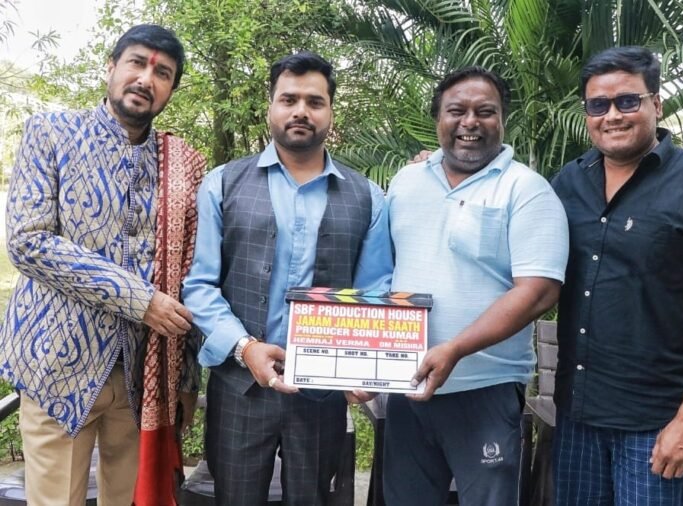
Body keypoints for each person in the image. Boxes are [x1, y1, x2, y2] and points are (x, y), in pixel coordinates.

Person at [0, 24, 207, 506]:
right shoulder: (51, 133)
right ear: (111, 67)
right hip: (57, 365)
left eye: (163, 73)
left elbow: (191, 270)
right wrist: (140, 300)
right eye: (136, 63)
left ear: (171, 90)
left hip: (144, 375)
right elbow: (29, 242)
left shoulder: (181, 164)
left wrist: (185, 378)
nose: (146, 79)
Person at [550, 46, 683, 505]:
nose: (612, 115)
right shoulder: (568, 183)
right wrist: (441, 169)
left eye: (628, 101)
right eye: (598, 105)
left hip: (659, 423)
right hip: (578, 417)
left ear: (657, 104)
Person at [182, 51, 392, 506]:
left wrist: (364, 367)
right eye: (289, 99)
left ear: (330, 111)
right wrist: (245, 347)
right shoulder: (222, 184)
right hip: (239, 388)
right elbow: (200, 286)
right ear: (271, 107)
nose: (301, 111)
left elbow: (374, 293)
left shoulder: (368, 197)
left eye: (315, 102)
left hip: (321, 394)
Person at [379, 67, 569, 505]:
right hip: (408, 387)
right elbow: (383, 271)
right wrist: (368, 360)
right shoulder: (406, 182)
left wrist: (455, 349)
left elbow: (538, 291)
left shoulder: (527, 190)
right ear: (437, 119)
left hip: (486, 388)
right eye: (456, 111)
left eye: (485, 111)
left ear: (502, 120)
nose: (470, 122)